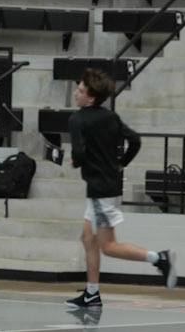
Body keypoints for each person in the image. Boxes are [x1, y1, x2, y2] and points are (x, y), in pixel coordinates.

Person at [64, 66, 175, 311]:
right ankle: (92, 293)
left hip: (99, 191)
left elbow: (79, 154)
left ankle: (159, 258)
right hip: (109, 186)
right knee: (87, 238)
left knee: (108, 246)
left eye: (80, 90)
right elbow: (135, 140)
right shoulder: (110, 117)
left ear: (90, 98)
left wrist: (76, 161)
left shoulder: (77, 119)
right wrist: (122, 162)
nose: (75, 93)